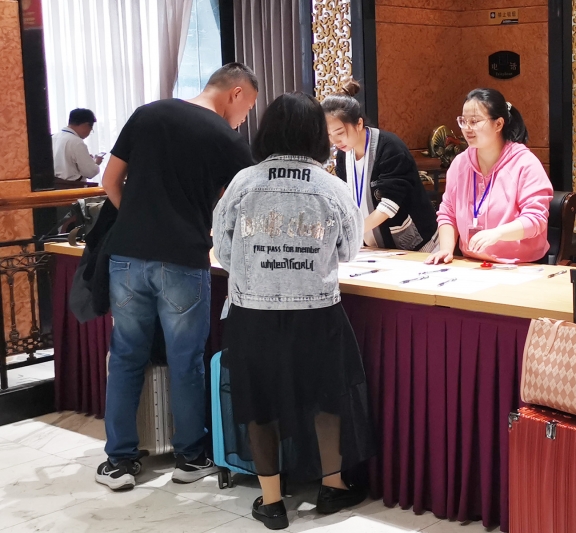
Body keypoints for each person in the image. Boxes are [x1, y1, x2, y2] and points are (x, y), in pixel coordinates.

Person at [213, 92, 374, 530]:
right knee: (327, 396)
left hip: (253, 313)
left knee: (258, 401)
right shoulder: (331, 186)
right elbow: (349, 251)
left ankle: (271, 502)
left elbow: (223, 251)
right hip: (317, 313)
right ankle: (332, 485)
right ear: (316, 135)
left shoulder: (243, 182)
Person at [95, 63, 259, 491]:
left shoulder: (148, 113)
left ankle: (119, 462)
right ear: (236, 93)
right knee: (186, 360)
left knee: (126, 355)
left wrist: (136, 219)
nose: (243, 119)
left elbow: (109, 180)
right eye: (247, 108)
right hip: (184, 258)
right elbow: (245, 203)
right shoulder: (227, 140)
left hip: (126, 256)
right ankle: (190, 458)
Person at [426, 88, 553, 265]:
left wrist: (498, 233)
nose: (467, 128)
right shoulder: (460, 163)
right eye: (463, 121)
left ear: (498, 124)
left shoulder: (525, 164)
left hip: (521, 265)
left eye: (475, 121)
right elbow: (448, 212)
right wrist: (446, 249)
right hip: (471, 263)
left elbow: (536, 219)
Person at [322, 79, 438, 252]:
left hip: (417, 244)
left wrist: (353, 231)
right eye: (329, 135)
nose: (335, 141)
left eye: (340, 132)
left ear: (359, 124)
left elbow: (390, 204)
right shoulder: (343, 155)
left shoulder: (390, 147)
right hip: (374, 247)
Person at [51, 108, 104, 189]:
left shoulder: (53, 137)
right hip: (71, 188)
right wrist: (96, 163)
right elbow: (90, 172)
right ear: (86, 125)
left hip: (54, 186)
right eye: (91, 129)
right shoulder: (76, 142)